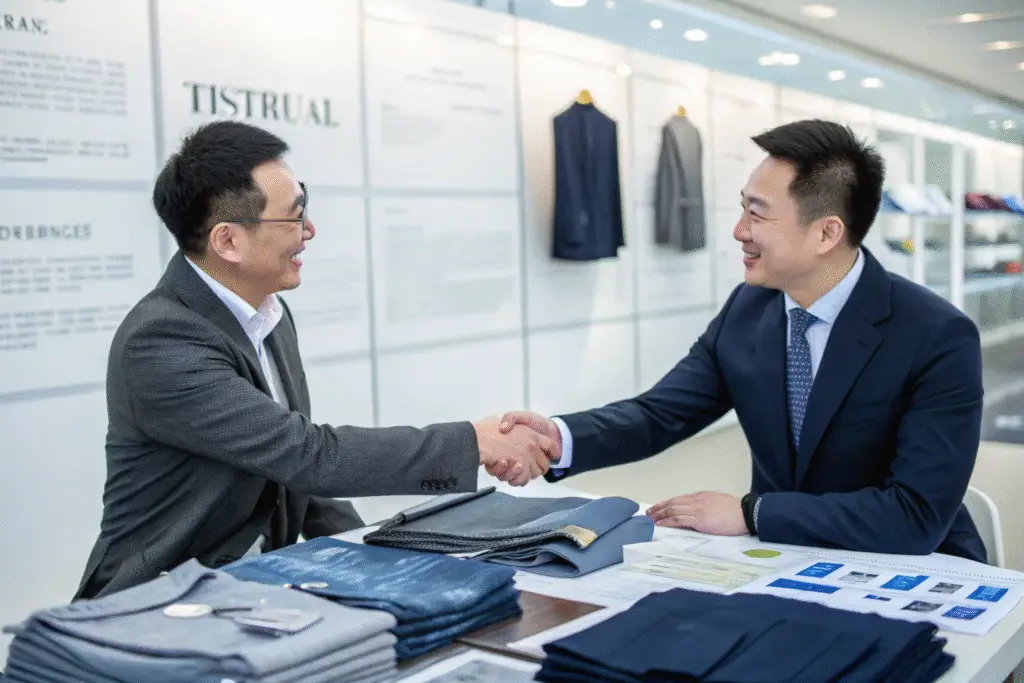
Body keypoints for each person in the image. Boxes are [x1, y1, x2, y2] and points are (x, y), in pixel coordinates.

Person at [75, 121, 557, 600]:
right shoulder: (161, 340)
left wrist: (376, 554)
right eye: (292, 217)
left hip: (253, 586)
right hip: (158, 603)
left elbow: (291, 475)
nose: (309, 230)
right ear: (227, 241)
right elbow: (305, 456)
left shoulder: (268, 312)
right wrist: (475, 442)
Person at [499, 119, 988, 563]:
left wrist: (752, 513)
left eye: (757, 215)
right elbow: (660, 414)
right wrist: (558, 439)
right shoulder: (749, 309)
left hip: (916, 569)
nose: (739, 231)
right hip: (785, 561)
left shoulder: (936, 335)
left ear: (826, 234)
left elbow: (913, 515)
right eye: (742, 209)